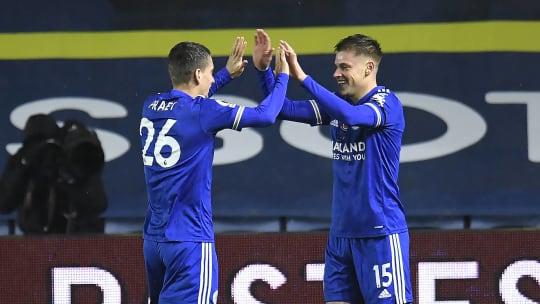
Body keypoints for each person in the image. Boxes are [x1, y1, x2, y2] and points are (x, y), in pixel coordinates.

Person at [252, 29, 413, 303]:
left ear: (369, 68)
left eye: (344, 67)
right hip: (341, 237)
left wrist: (302, 78)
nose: (336, 73)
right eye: (336, 66)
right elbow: (283, 110)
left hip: (380, 235)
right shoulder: (339, 106)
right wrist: (264, 71)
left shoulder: (387, 104)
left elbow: (351, 115)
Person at [139, 36, 289, 303]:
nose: (212, 80)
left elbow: (193, 99)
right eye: (209, 73)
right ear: (197, 74)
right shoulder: (204, 112)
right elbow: (266, 115)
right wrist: (282, 77)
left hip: (154, 241)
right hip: (189, 240)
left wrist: (225, 75)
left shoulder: (151, 105)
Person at [0, 113, 108, 234]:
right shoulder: (25, 159)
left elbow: (98, 204)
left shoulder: (76, 156)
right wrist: (24, 164)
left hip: (80, 238)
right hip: (37, 241)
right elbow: (4, 204)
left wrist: (69, 180)